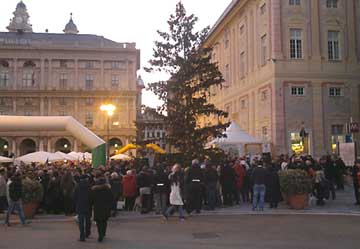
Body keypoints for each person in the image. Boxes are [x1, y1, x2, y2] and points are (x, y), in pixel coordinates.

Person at [90, 171, 113, 242]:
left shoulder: (94, 190)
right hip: (106, 207)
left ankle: (100, 234)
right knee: (104, 220)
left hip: (97, 207)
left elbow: (92, 199)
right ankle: (103, 233)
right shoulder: (108, 189)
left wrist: (92, 205)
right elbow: (111, 198)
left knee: (99, 221)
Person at [74, 174, 92, 242]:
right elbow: (91, 196)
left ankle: (82, 236)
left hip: (80, 205)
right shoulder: (89, 186)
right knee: (88, 220)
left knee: (81, 222)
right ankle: (87, 232)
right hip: (88, 205)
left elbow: (74, 195)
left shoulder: (78, 186)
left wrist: (76, 202)